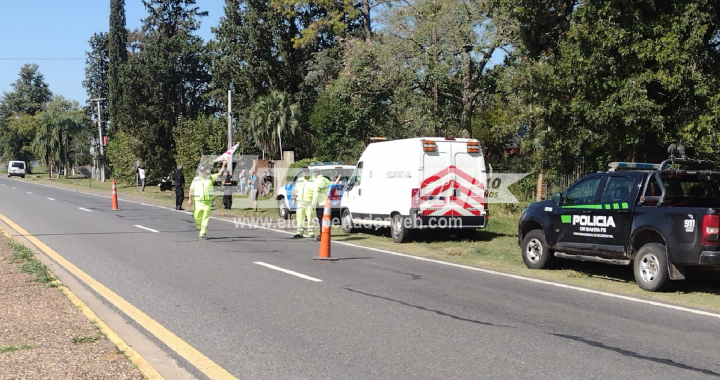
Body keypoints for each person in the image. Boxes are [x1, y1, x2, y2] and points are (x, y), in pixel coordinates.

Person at [188, 161, 226, 240]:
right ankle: (200, 227)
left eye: (203, 171)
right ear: (199, 172)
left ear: (205, 171)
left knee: (205, 218)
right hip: (198, 202)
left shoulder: (210, 177)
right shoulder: (195, 179)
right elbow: (191, 189)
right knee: (197, 217)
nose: (202, 173)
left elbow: (219, 174)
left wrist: (224, 165)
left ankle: (203, 233)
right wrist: (189, 199)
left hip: (207, 203)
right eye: (201, 171)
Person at [293, 168, 316, 239]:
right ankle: (299, 232)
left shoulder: (313, 180)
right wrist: (293, 198)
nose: (305, 174)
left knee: (310, 217)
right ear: (302, 173)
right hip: (300, 202)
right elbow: (295, 189)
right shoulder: (299, 180)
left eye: (306, 173)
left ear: (308, 173)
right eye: (303, 173)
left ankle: (311, 232)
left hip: (309, 202)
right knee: (300, 217)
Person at [311, 169, 331, 241]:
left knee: (321, 219)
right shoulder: (326, 180)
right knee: (326, 219)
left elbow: (316, 193)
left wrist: (313, 203)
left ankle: (322, 234)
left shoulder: (317, 181)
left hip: (320, 202)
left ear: (315, 174)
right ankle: (326, 233)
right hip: (327, 202)